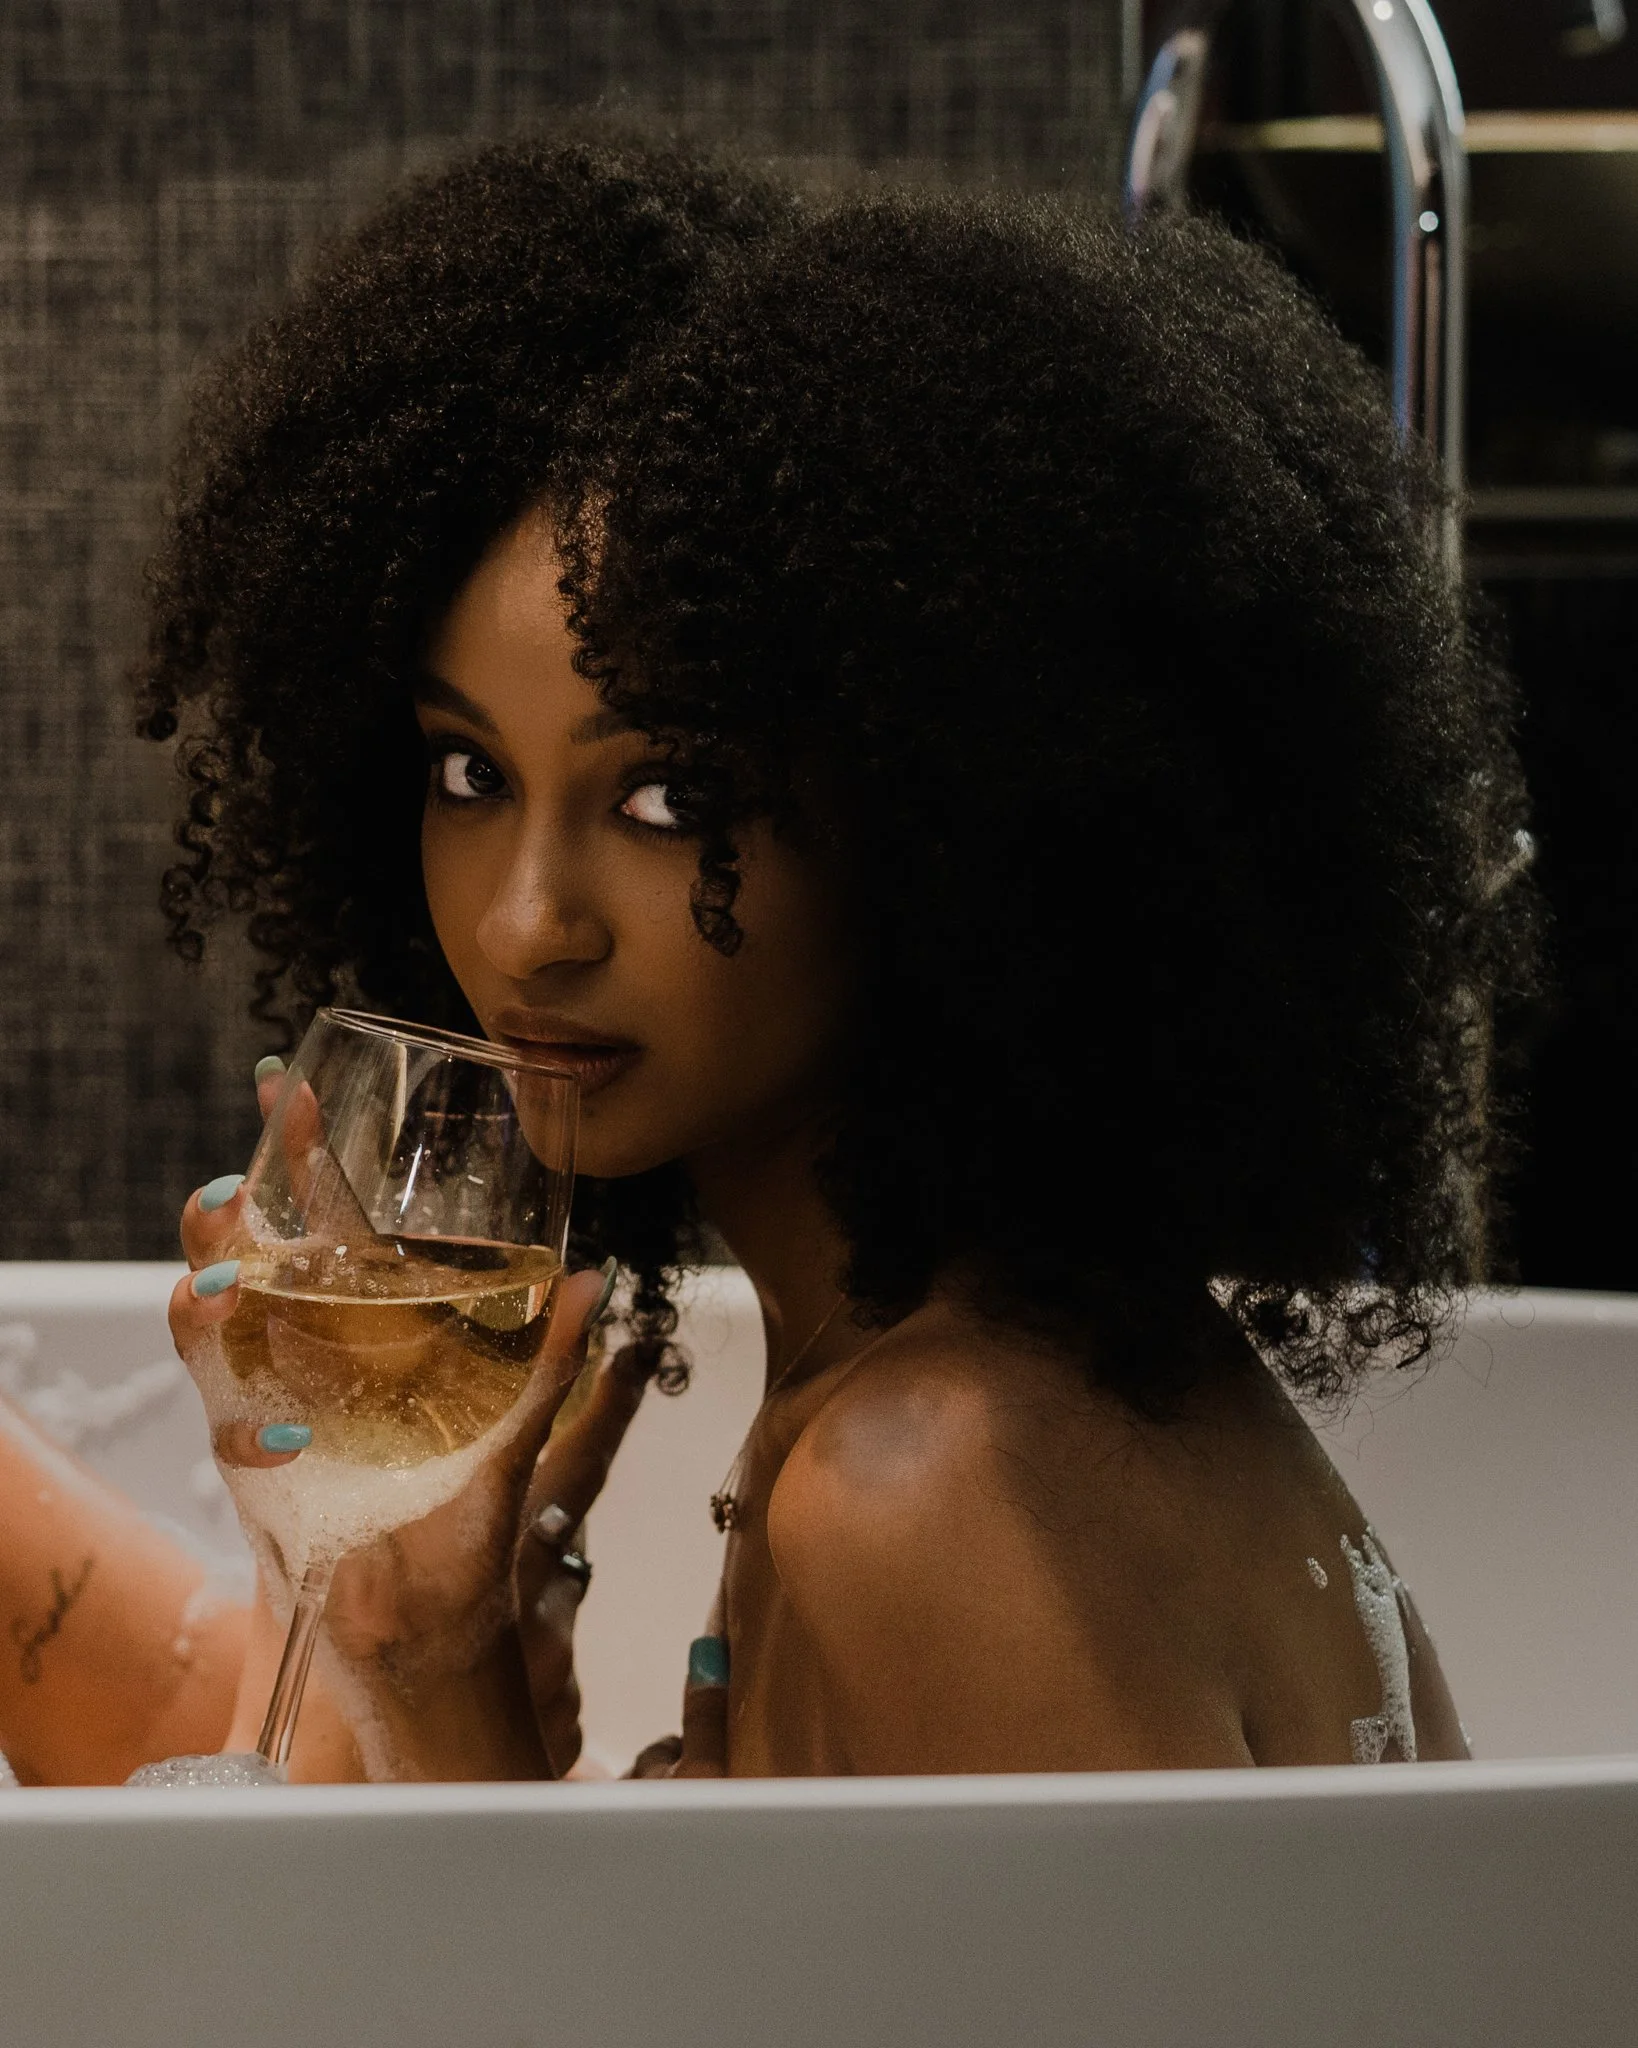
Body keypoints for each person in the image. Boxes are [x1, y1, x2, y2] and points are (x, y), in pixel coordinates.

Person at [0, 130, 1535, 1783]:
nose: (527, 925)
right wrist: (431, 1654)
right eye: (469, 773)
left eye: (669, 798)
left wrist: (421, 1660)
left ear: (938, 809)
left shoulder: (926, 1482)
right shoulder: (967, 1368)